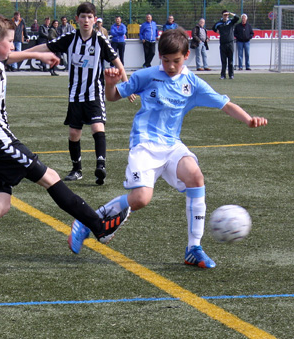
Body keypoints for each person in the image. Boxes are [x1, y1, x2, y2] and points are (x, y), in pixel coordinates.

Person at [0, 14, 128, 272]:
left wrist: (37, 56)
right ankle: (99, 227)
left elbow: (10, 57)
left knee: (0, 204)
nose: (14, 47)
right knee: (50, 177)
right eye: (10, 41)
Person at [69, 28, 268, 266]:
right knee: (141, 199)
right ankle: (88, 221)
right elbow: (113, 97)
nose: (170, 66)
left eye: (176, 60)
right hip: (144, 144)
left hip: (172, 145)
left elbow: (225, 104)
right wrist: (110, 84)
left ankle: (193, 248)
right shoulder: (148, 76)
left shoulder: (192, 83)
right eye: (165, 60)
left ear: (186, 56)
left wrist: (248, 119)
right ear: (159, 57)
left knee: (196, 177)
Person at [26, 2, 134, 186]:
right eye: (83, 16)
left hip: (94, 94)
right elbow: (46, 47)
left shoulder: (100, 40)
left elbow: (118, 63)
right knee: (74, 133)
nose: (86, 20)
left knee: (97, 127)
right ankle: (77, 169)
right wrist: (21, 53)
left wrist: (127, 86)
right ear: (77, 19)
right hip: (75, 96)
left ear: (94, 20)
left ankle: (101, 166)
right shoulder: (70, 38)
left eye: (90, 17)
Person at [212, 10, 239, 80]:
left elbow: (237, 18)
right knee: (223, 61)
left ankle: (231, 75)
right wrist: (217, 31)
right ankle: (223, 75)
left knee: (230, 61)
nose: (226, 16)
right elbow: (213, 28)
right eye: (224, 15)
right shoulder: (219, 23)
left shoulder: (230, 22)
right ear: (222, 15)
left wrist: (230, 13)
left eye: (227, 15)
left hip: (230, 43)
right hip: (223, 43)